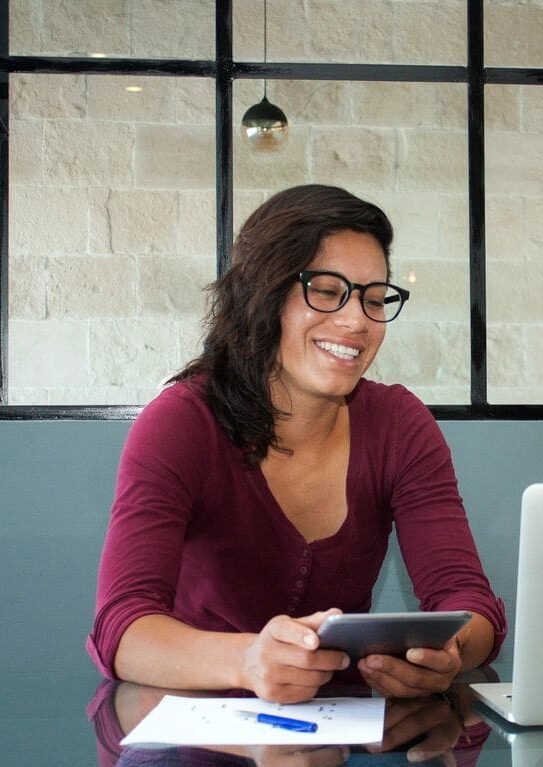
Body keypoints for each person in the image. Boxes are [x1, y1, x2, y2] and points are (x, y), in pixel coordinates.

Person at [87, 184, 506, 703]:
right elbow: (121, 627)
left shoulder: (400, 424)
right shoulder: (181, 423)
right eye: (327, 292)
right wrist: (247, 661)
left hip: (337, 735)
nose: (357, 321)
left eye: (375, 299)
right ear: (263, 295)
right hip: (191, 734)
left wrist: (448, 654)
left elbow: (472, 604)